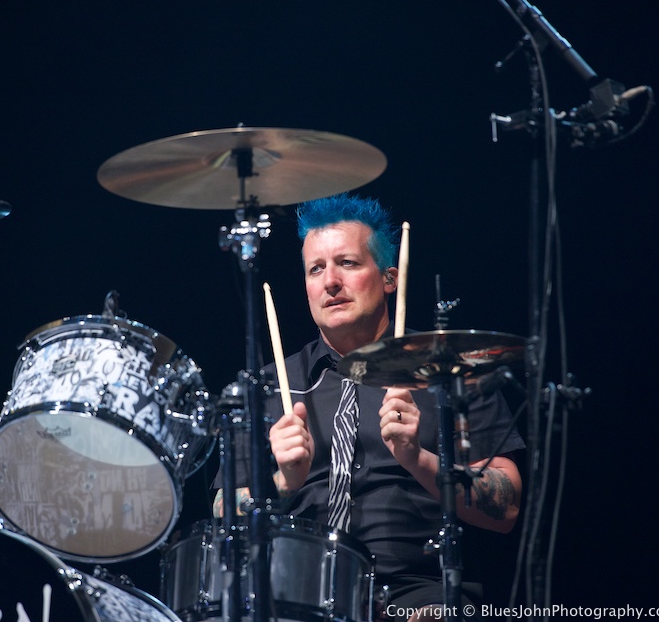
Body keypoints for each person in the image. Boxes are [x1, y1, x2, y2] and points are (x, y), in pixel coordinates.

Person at [213, 193, 525, 621]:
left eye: (348, 263)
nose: (330, 282)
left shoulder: (449, 370)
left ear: (389, 278)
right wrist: (282, 485)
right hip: (290, 594)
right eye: (316, 269)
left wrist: (419, 459)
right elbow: (220, 515)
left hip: (414, 596)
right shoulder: (265, 387)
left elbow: (506, 507)